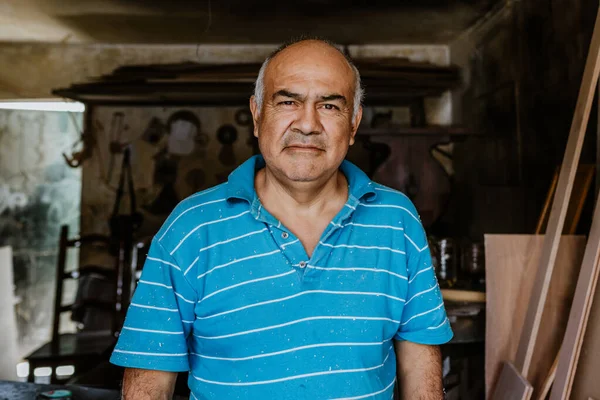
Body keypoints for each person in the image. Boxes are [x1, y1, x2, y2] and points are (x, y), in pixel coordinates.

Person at [110, 38, 453, 400]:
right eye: (288, 102)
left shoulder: (396, 220)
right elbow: (148, 387)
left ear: (353, 124)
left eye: (330, 106)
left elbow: (420, 370)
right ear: (257, 116)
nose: (307, 124)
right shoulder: (192, 228)